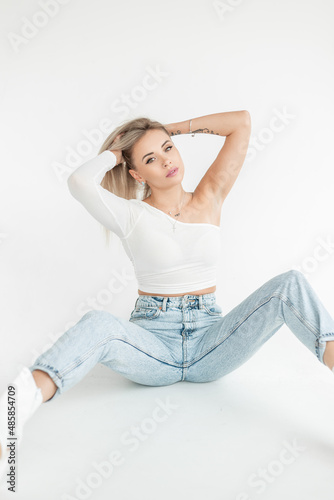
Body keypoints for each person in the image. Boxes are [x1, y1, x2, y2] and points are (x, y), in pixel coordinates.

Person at [2, 112, 334, 479]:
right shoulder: (129, 215)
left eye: (168, 149)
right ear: (136, 175)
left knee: (289, 284)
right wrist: (118, 152)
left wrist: (168, 130)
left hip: (212, 342)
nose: (166, 161)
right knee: (98, 323)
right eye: (150, 160)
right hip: (153, 347)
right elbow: (79, 182)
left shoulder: (210, 196)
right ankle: (13, 412)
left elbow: (241, 123)